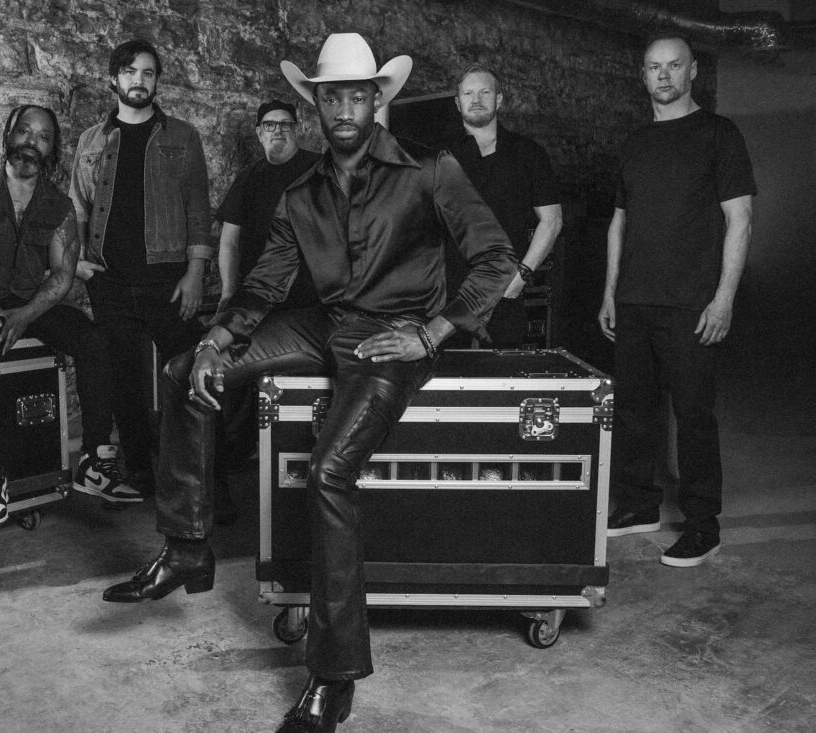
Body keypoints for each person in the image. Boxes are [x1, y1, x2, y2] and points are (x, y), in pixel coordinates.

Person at [102, 33, 515, 731]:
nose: (346, 105)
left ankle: (335, 675)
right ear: (317, 105)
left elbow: (497, 259)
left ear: (378, 99)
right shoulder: (301, 192)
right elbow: (265, 283)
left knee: (327, 471)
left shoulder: (430, 169)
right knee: (184, 369)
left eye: (359, 92)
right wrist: (217, 336)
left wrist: (432, 331)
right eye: (333, 95)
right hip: (325, 324)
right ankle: (186, 547)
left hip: (392, 340)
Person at [0, 105, 140, 528]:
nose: (32, 142)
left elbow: (64, 275)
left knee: (93, 339)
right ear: (8, 135)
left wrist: (28, 314)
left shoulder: (60, 206)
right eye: (24, 132)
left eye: (43, 136)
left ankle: (95, 460)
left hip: (29, 302)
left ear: (52, 149)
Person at [599, 35, 755, 567]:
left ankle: (702, 525)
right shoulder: (637, 142)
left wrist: (724, 298)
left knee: (692, 416)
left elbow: (740, 218)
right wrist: (610, 291)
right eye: (652, 67)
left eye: (673, 66)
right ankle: (639, 505)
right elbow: (620, 220)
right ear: (642, 76)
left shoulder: (719, 134)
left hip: (691, 302)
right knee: (635, 410)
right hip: (636, 299)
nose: (662, 76)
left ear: (691, 73)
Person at [69, 38, 213, 494]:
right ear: (114, 79)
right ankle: (140, 475)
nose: (139, 80)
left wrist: (195, 273)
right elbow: (76, 210)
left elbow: (198, 208)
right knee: (125, 385)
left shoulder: (183, 136)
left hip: (168, 280)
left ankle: (210, 480)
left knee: (191, 378)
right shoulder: (90, 141)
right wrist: (75, 263)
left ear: (156, 81)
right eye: (130, 72)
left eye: (148, 73)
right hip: (109, 282)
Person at [212, 99, 320, 520]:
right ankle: (224, 477)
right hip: (260, 302)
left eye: (287, 125)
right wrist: (227, 293)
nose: (279, 131)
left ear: (299, 130)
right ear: (258, 132)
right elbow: (230, 241)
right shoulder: (250, 178)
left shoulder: (319, 168)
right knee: (230, 389)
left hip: (312, 303)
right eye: (270, 126)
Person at [448, 63, 563, 348]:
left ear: (499, 99)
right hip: (448, 290)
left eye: (485, 92)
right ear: (457, 102)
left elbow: (552, 221)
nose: (476, 99)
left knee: (501, 377)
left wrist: (522, 276)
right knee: (445, 379)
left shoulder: (528, 153)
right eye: (468, 93)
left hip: (505, 288)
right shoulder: (440, 155)